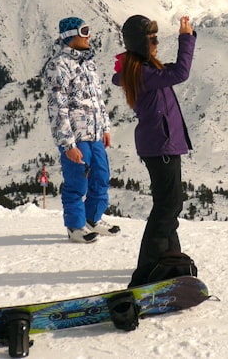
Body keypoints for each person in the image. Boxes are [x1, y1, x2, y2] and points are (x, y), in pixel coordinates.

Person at [113, 14, 195, 286]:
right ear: (140, 43)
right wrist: (186, 37)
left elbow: (171, 72)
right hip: (161, 145)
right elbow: (181, 73)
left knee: (171, 205)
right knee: (166, 207)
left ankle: (170, 260)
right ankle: (146, 270)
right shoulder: (143, 73)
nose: (158, 43)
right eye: (153, 39)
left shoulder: (144, 69)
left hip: (163, 144)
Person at [45, 16, 121, 243]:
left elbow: (98, 99)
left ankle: (92, 219)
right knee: (77, 181)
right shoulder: (57, 66)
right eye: (84, 31)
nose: (89, 35)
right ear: (71, 36)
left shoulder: (89, 63)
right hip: (76, 136)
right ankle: (75, 227)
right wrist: (68, 144)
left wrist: (105, 127)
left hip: (95, 133)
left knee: (101, 177)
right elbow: (57, 107)